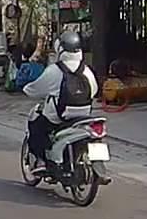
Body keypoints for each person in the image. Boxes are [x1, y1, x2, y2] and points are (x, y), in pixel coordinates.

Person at [22, 31, 97, 169]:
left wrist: (25, 88)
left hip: (59, 116)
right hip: (84, 114)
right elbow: (94, 90)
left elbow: (34, 90)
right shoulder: (86, 70)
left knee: (36, 125)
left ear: (60, 49)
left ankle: (41, 161)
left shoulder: (54, 70)